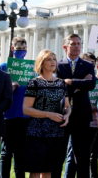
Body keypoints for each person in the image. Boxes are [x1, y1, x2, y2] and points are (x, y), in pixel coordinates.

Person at [23, 49, 71, 178]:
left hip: (56, 132)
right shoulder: (35, 83)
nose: (53, 62)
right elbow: (26, 109)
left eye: (54, 59)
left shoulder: (61, 83)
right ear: (42, 63)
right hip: (37, 132)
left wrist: (67, 115)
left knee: (49, 170)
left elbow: (67, 106)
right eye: (49, 59)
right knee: (35, 170)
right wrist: (49, 114)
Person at [55, 34, 96, 178]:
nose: (77, 46)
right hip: (62, 113)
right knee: (59, 154)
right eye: (73, 44)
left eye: (79, 43)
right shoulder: (58, 65)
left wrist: (70, 82)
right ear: (65, 46)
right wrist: (80, 83)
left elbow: (91, 84)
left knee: (82, 156)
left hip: (82, 115)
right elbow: (58, 86)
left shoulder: (88, 65)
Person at [0, 37, 29, 178]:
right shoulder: (4, 67)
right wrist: (11, 87)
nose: (22, 52)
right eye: (19, 49)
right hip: (8, 115)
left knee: (21, 152)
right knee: (6, 152)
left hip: (25, 115)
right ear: (12, 49)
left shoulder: (30, 69)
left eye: (24, 49)